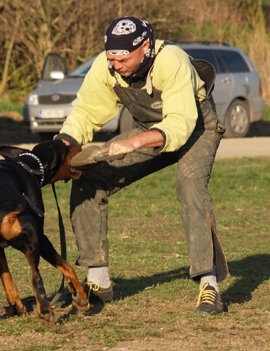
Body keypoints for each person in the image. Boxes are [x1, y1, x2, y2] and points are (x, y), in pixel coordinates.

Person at [55, 16, 228, 314]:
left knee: (190, 188)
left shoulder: (170, 60)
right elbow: (85, 113)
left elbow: (179, 124)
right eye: (112, 58)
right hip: (150, 127)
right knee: (89, 177)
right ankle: (98, 281)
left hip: (197, 128)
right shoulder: (105, 67)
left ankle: (209, 285)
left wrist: (132, 143)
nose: (116, 65)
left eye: (123, 59)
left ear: (145, 47)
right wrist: (62, 147)